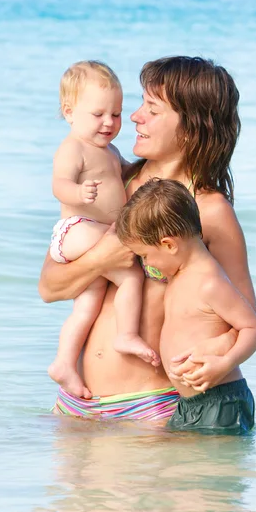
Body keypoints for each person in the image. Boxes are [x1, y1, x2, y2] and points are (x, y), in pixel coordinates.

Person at [39, 55, 256, 425]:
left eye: (152, 109)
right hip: (77, 402)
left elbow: (245, 318)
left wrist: (216, 357)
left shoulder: (208, 210)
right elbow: (49, 287)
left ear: (190, 127)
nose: (136, 117)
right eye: (140, 105)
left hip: (148, 406)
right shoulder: (116, 186)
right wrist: (103, 257)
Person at [48, 60, 159, 400]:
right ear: (69, 113)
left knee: (88, 304)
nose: (109, 123)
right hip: (77, 228)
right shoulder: (73, 148)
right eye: (98, 114)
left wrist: (139, 168)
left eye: (116, 114)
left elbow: (120, 171)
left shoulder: (108, 150)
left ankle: (64, 363)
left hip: (89, 232)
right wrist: (77, 193)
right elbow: (58, 183)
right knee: (131, 274)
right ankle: (126, 334)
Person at [116, 178, 256, 432]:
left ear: (169, 245)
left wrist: (225, 363)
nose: (147, 262)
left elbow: (252, 329)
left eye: (145, 255)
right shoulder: (179, 274)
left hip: (221, 399)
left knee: (212, 470)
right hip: (192, 402)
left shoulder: (208, 282)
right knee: (185, 468)